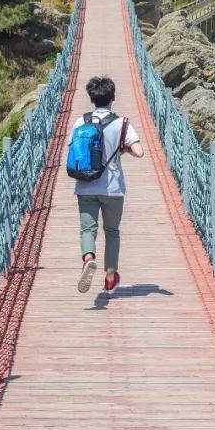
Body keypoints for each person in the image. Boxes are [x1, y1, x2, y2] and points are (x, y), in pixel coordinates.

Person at [73, 75, 144, 293]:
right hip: (113, 187)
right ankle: (110, 275)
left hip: (85, 184)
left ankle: (88, 258)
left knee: (88, 229)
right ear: (112, 97)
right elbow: (139, 152)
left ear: (92, 99)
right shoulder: (121, 123)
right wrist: (123, 148)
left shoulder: (80, 121)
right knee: (112, 230)